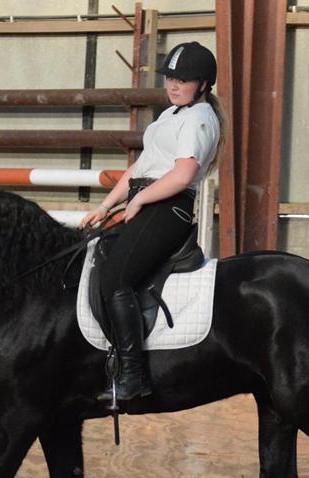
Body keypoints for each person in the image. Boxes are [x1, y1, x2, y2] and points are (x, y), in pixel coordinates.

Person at [80, 41, 224, 403]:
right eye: (171, 79)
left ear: (203, 84)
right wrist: (106, 206)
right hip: (148, 202)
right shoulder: (170, 116)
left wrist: (141, 199)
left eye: (183, 80)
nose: (174, 86)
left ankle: (133, 375)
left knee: (116, 277)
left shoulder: (199, 118)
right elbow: (139, 168)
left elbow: (181, 174)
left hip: (169, 207)